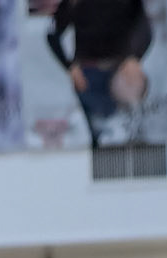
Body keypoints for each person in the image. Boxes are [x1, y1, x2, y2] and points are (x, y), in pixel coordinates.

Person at [45, 0, 152, 148]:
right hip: (90, 74)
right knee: (100, 138)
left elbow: (145, 28)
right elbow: (52, 34)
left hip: (121, 72)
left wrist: (134, 57)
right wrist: (70, 67)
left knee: (130, 135)